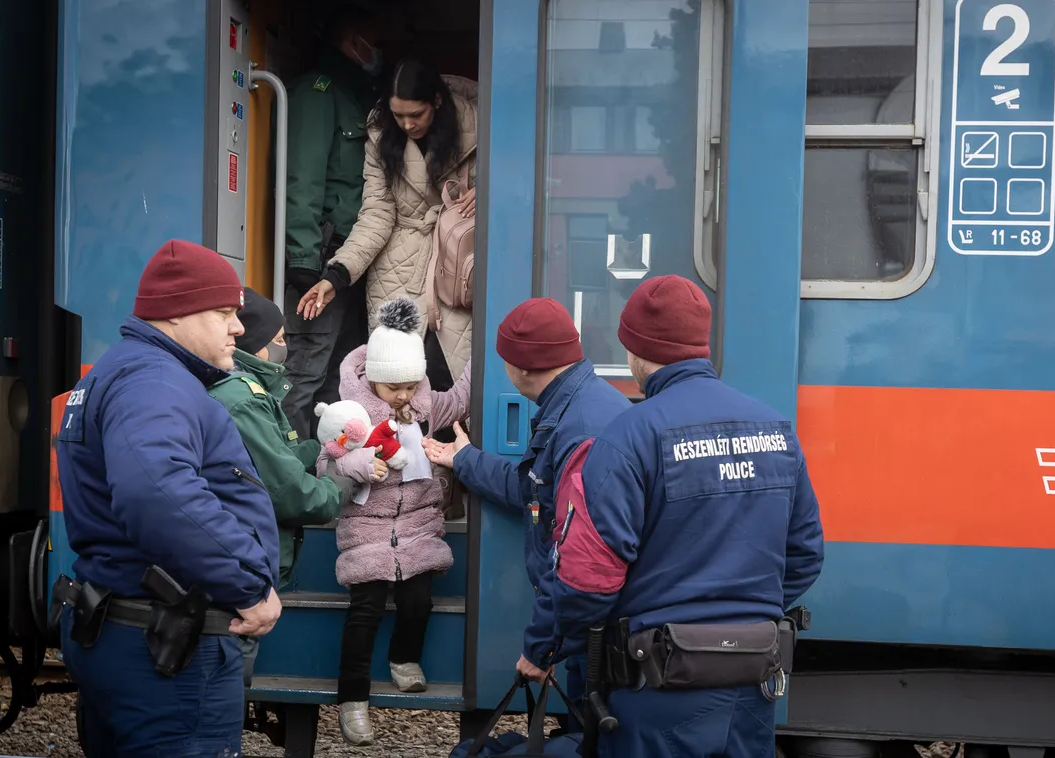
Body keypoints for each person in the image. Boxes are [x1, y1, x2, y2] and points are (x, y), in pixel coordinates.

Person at [545, 275, 825, 757]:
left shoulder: (628, 436)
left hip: (653, 686)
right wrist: (740, 613)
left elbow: (588, 580)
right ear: (701, 345)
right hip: (752, 680)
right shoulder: (776, 430)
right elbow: (803, 554)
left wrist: (565, 636)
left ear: (634, 350)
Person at [53, 240, 282, 756]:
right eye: (224, 312)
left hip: (127, 630)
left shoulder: (123, 372)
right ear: (176, 314)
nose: (239, 327)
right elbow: (156, 493)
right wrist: (247, 583)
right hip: (165, 652)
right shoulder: (155, 381)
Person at [422, 298, 631, 724]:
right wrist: (465, 460)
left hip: (596, 631)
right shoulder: (581, 405)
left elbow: (578, 554)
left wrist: (542, 645)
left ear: (519, 367)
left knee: (590, 731)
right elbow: (533, 489)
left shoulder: (580, 430)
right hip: (596, 627)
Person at [317, 296, 472, 745]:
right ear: (375, 381)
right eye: (394, 388)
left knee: (418, 601)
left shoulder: (425, 407)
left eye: (410, 385)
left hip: (418, 529)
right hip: (367, 530)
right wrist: (360, 462)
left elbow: (462, 395)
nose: (404, 395)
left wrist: (479, 351)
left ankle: (405, 660)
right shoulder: (352, 414)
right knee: (364, 612)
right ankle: (353, 699)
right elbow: (325, 467)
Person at [296, 58, 479, 388]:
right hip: (399, 268)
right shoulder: (382, 135)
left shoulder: (484, 126)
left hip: (460, 266)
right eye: (398, 116)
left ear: (437, 102)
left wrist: (490, 195)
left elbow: (529, 182)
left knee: (453, 379)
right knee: (397, 382)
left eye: (415, 114)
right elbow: (377, 214)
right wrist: (337, 274)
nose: (407, 125)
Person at [207, 286, 355, 685]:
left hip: (235, 564)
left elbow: (280, 455)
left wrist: (323, 448)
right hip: (241, 569)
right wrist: (343, 483)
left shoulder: (245, 391)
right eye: (277, 340)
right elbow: (290, 493)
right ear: (253, 347)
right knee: (227, 687)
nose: (285, 347)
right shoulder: (242, 399)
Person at [281, 3, 382, 440]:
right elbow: (302, 179)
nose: (379, 52)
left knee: (337, 374)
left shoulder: (354, 98)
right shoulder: (319, 94)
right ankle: (289, 480)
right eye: (374, 42)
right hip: (320, 259)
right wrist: (304, 260)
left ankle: (323, 476)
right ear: (355, 43)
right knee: (304, 372)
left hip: (345, 262)